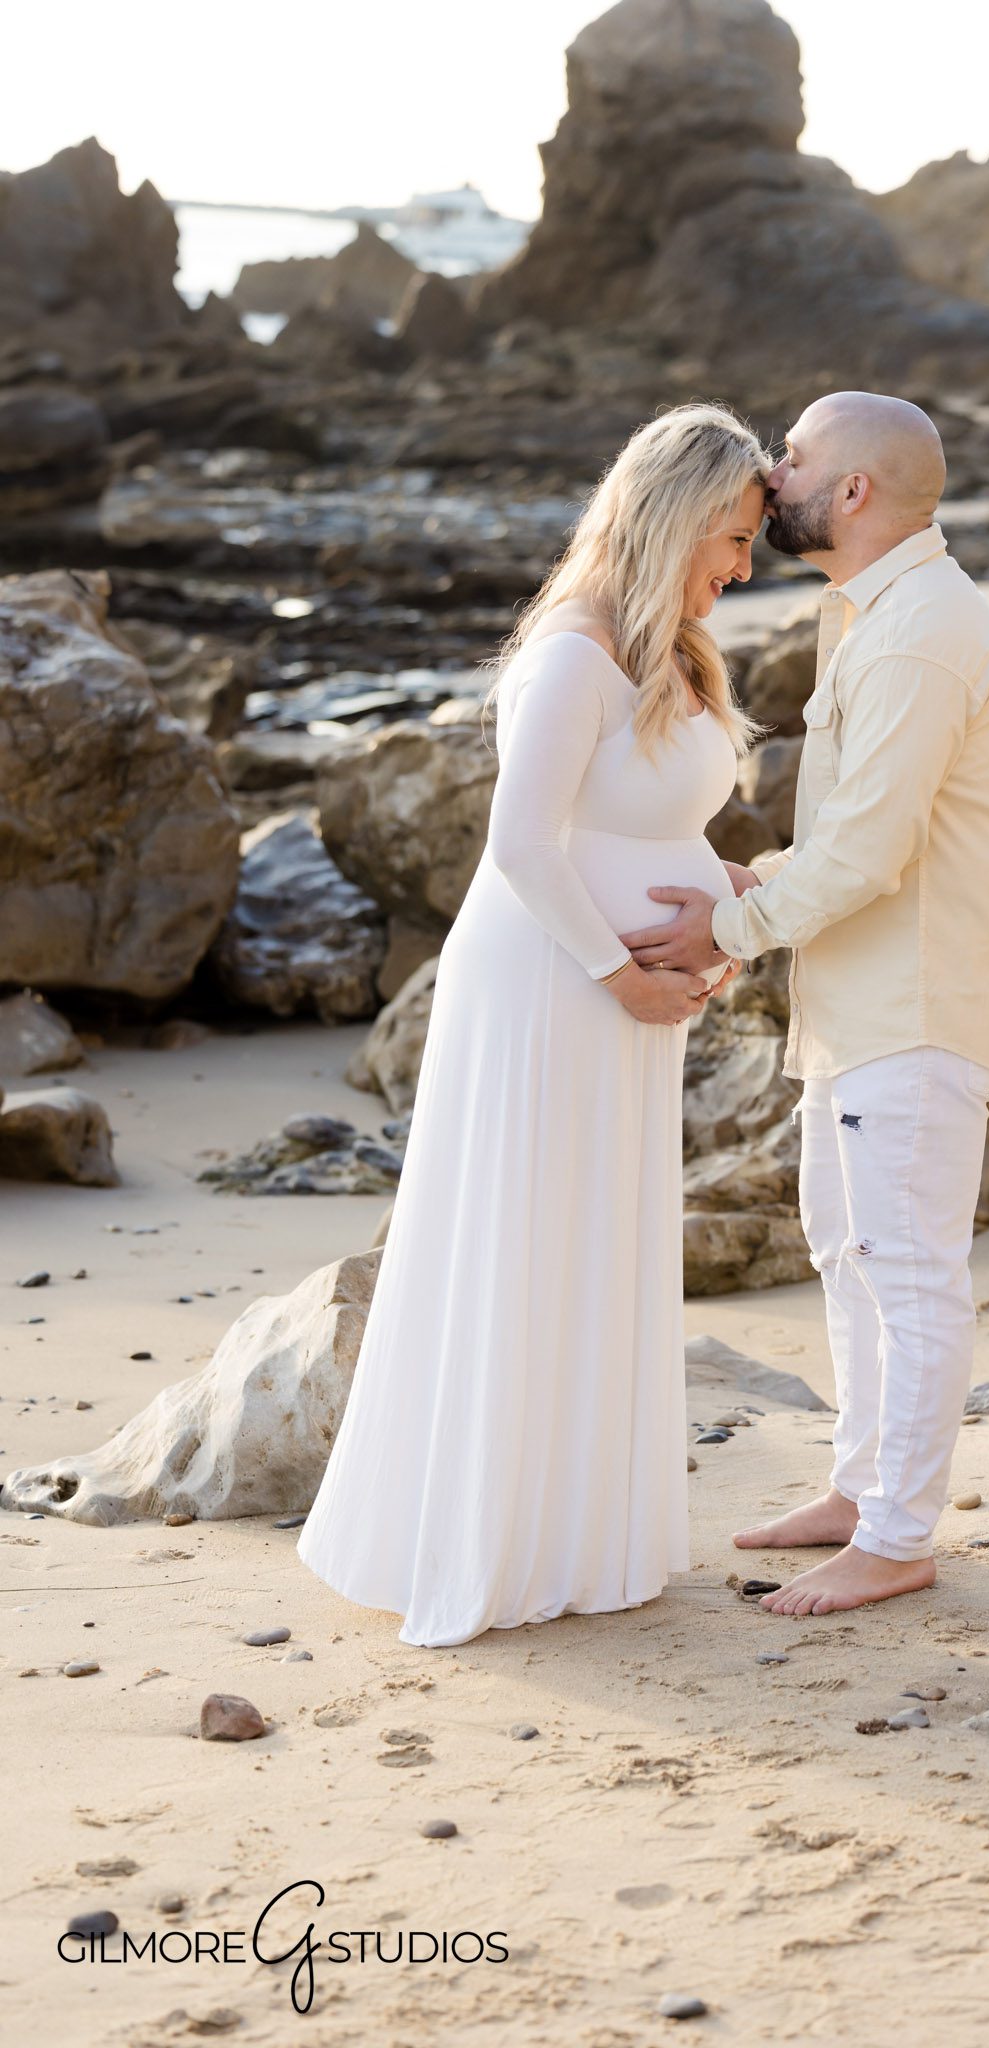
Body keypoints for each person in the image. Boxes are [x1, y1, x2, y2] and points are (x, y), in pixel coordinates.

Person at [296, 403, 770, 1646]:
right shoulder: (574, 651)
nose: (744, 563)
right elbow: (522, 845)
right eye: (732, 533)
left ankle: (581, 1536)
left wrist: (731, 904)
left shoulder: (672, 650)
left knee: (596, 1240)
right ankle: (493, 1542)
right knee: (526, 1235)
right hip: (553, 987)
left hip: (624, 991)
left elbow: (652, 825)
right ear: (670, 515)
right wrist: (625, 970)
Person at [618, 390, 989, 1619]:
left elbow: (868, 853)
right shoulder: (874, 612)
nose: (774, 468)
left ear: (853, 492)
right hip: (862, 999)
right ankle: (862, 1492)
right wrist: (763, 882)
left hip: (914, 1004)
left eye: (794, 456)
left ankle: (901, 1533)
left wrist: (731, 925)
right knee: (846, 1253)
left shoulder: (915, 631)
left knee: (907, 1270)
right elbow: (855, 838)